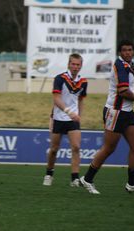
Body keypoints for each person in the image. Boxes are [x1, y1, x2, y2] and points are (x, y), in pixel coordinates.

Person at [80, 40, 134, 194]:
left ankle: (132, 183)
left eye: (130, 49)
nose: (128, 52)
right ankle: (87, 179)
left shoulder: (129, 64)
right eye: (125, 50)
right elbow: (123, 92)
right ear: (120, 52)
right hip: (115, 111)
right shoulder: (120, 65)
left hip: (127, 112)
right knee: (109, 148)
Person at [43, 53, 87, 187]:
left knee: (76, 147)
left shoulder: (83, 82)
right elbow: (56, 99)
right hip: (59, 118)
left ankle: (74, 178)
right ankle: (49, 174)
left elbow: (80, 99)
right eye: (73, 64)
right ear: (69, 64)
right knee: (54, 149)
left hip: (73, 120)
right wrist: (69, 112)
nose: (75, 67)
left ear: (81, 66)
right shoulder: (60, 78)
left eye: (78, 64)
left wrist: (79, 115)